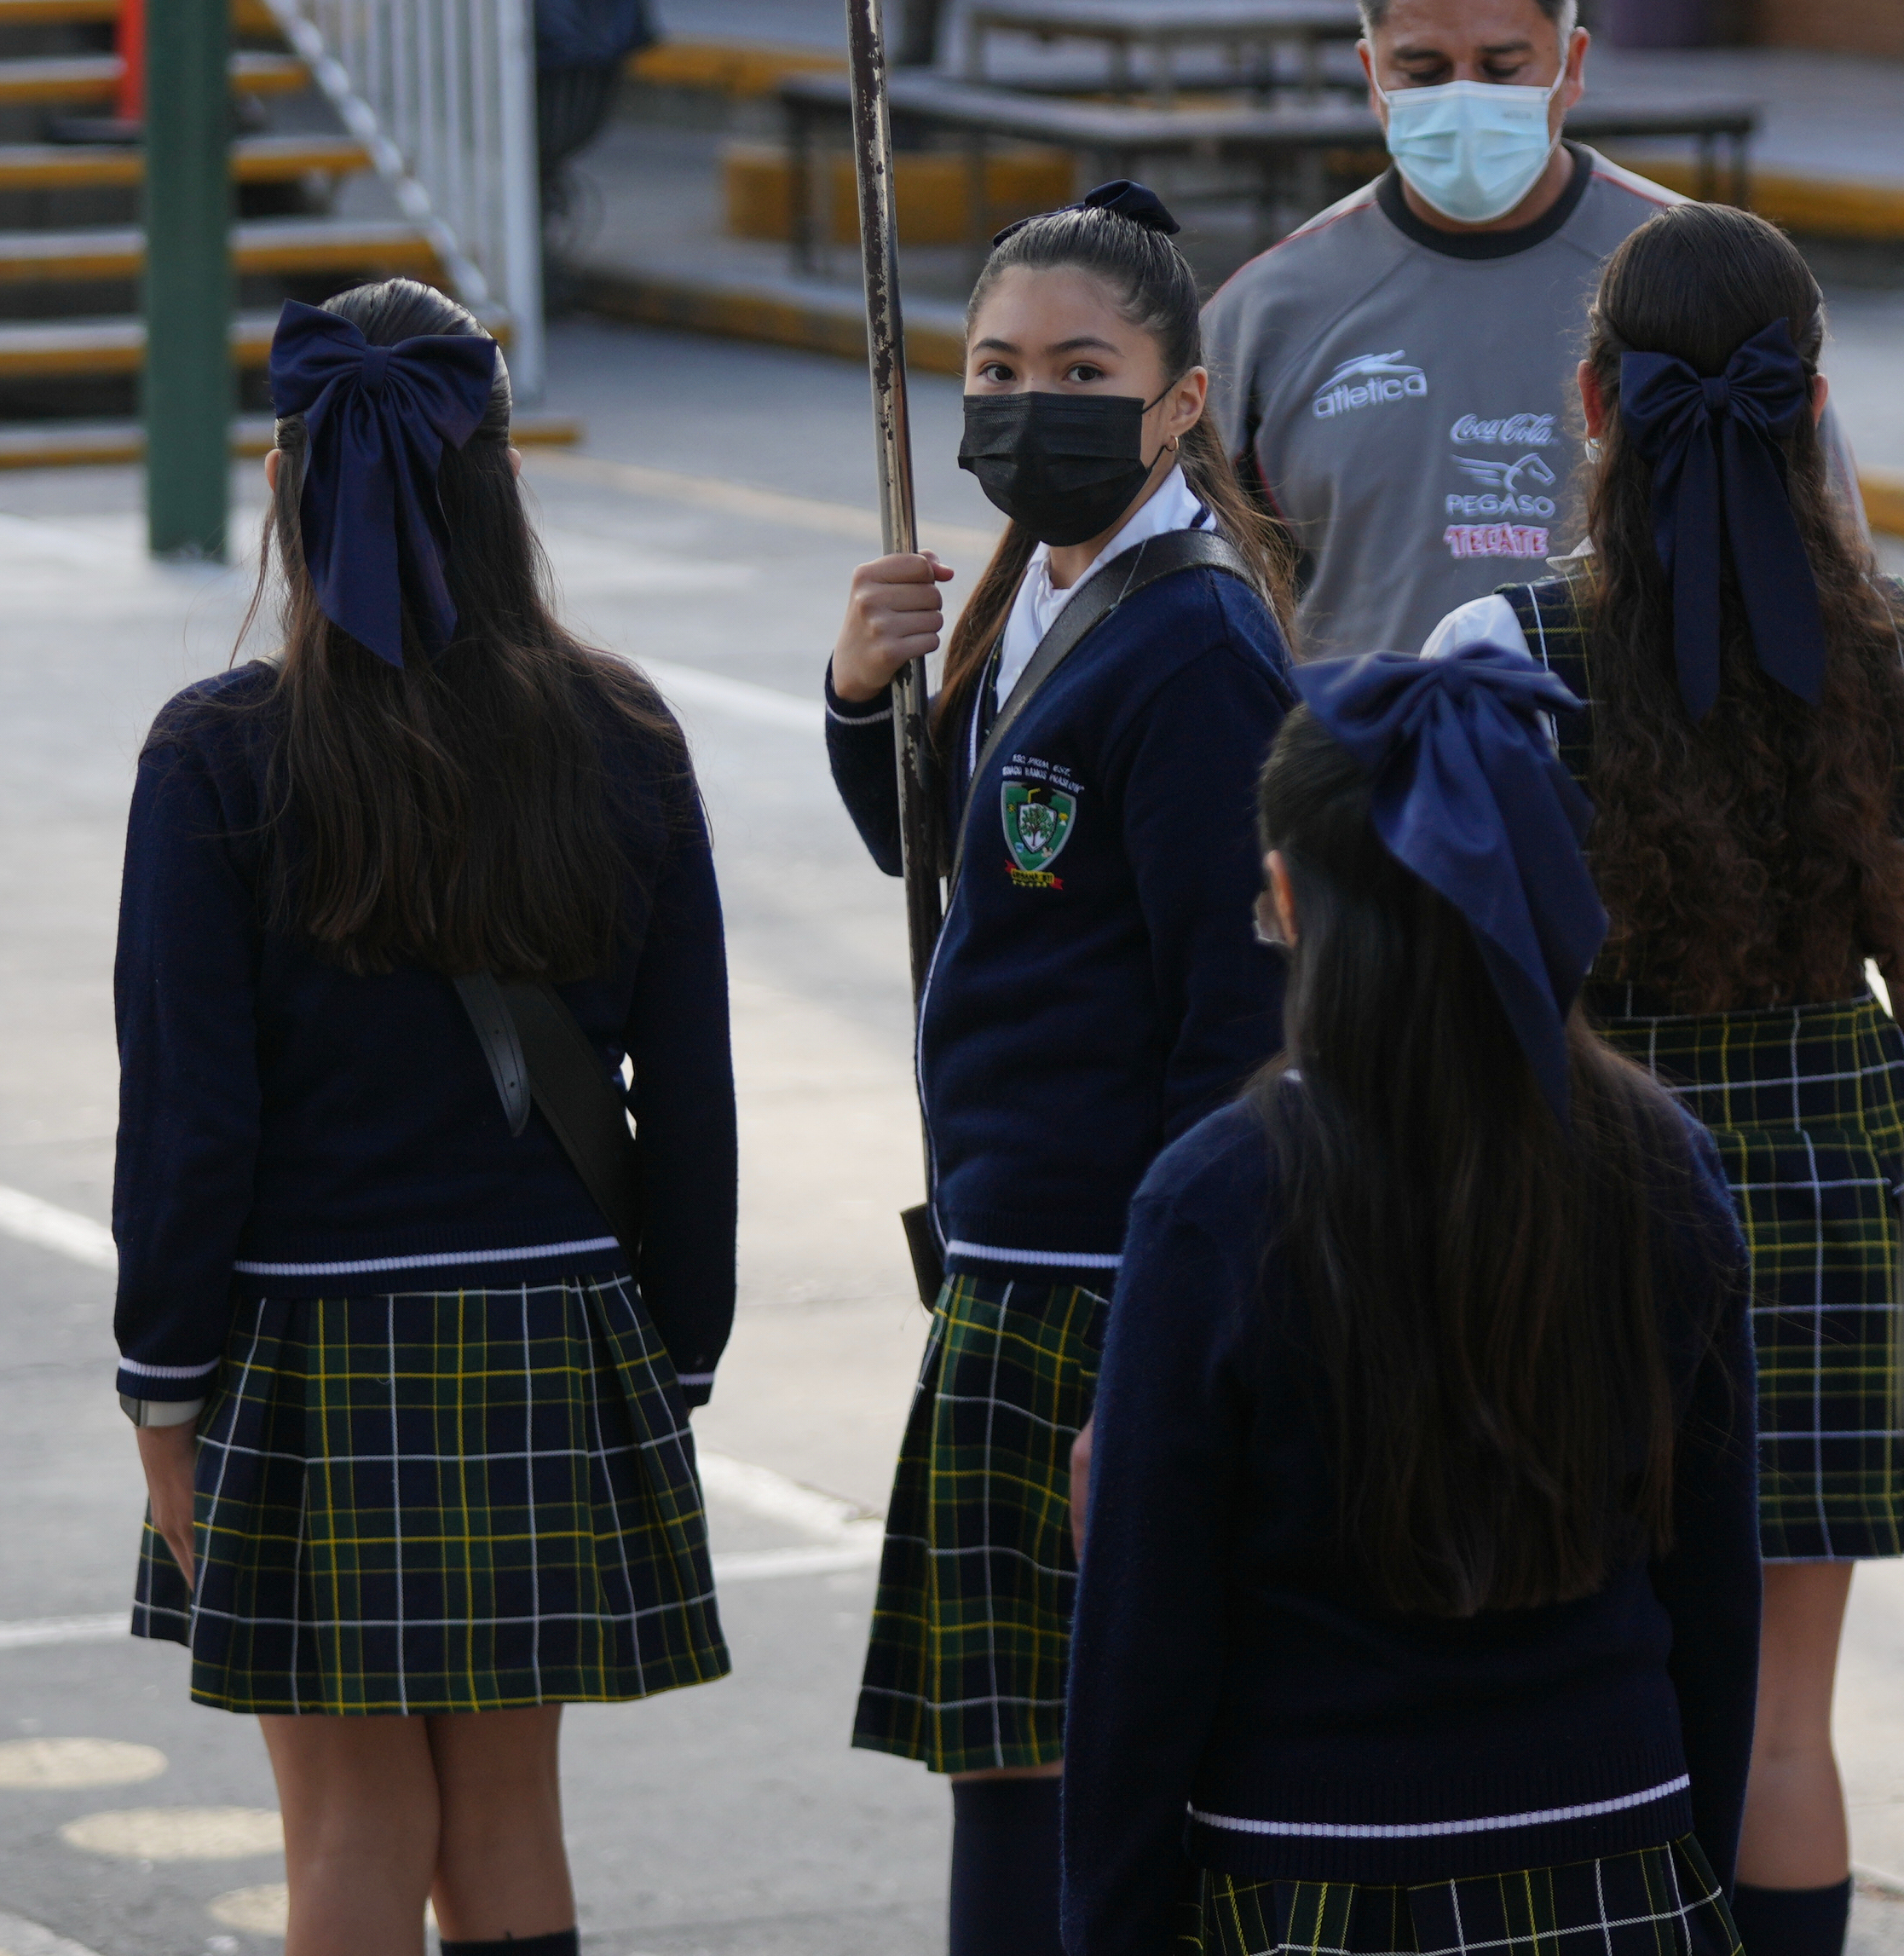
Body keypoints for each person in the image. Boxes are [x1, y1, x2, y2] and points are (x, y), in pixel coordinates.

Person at [114, 285, 738, 1956]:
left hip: (304, 1347)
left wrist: (160, 1387)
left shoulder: (219, 756)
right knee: (508, 1819)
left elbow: (191, 1122)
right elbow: (688, 1092)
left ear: (291, 482)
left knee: (351, 1825)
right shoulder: (624, 732)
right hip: (551, 1326)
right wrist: (672, 1354)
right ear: (496, 478)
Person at [1422, 202, 1904, 1956]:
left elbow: (1460, 993)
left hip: (1594, 1183)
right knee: (1788, 1713)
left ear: (1593, 401)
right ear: (1814, 408)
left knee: (1590, 1675)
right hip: (1834, 1182)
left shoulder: (1502, 647)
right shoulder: (1892, 643)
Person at [1061, 649, 1762, 1956]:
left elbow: (1139, 1666)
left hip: (1308, 1880)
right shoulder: (1663, 1161)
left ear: (1283, 897)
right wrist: (1684, 1868)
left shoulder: (1214, 1199)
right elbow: (1715, 1599)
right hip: (1622, 1849)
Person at [823, 182, 1298, 1956]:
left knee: (1081, 1784)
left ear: (1180, 401)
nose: (1031, 400)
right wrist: (858, 695)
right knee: (1009, 1769)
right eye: (996, 365)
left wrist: (1162, 1351)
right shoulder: (1038, 596)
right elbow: (978, 884)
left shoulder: (1196, 644)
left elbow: (1234, 1026)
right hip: (1013, 1258)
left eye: (1081, 367)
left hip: (1108, 1284)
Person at [1203, 0, 1865, 660]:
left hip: (1644, 770)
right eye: (1420, 71)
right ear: (1369, 74)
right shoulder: (1265, 311)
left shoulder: (1708, 277)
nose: (1462, 96)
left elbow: (1827, 567)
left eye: (1501, 67)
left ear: (1572, 65)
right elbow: (1208, 608)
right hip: (1366, 770)